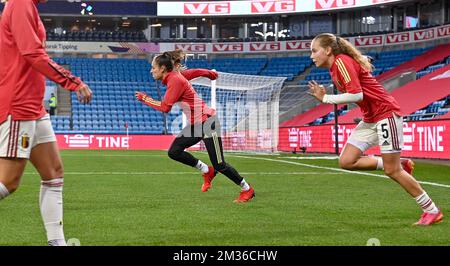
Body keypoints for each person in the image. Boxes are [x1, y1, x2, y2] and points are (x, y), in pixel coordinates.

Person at [308, 33, 443, 226]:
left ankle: (432, 210)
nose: (311, 56)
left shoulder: (341, 62)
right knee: (346, 160)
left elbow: (356, 95)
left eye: (314, 50)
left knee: (392, 170)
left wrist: (326, 99)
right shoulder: (335, 68)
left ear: (328, 50)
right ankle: (401, 163)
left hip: (386, 114)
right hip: (372, 118)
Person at [0, 0, 93, 245]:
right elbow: (32, 53)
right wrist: (73, 82)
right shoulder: (20, 4)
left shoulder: (27, 6)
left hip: (33, 107)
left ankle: (57, 242)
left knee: (54, 174)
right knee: (8, 182)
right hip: (18, 104)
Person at [135, 52, 255, 203]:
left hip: (208, 123)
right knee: (174, 152)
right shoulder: (176, 76)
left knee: (220, 164)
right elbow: (192, 73)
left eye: (153, 68)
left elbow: (165, 107)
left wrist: (145, 98)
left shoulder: (175, 80)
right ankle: (206, 170)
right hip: (196, 125)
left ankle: (247, 189)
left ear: (163, 68)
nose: (151, 71)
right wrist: (208, 74)